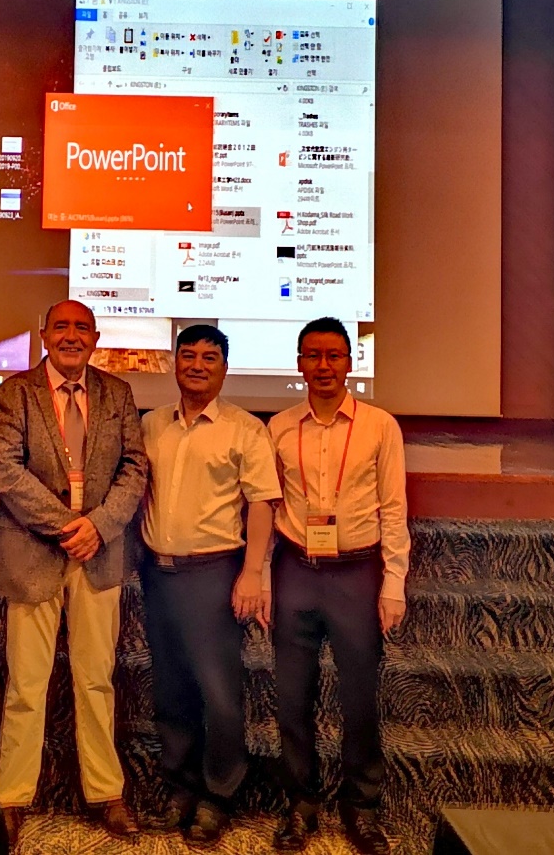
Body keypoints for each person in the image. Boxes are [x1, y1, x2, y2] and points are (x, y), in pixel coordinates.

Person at [0, 299, 148, 846]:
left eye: (82, 328)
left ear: (96, 338)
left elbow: (134, 467)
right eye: (61, 327)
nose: (71, 336)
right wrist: (68, 527)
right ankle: (12, 798)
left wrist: (98, 526)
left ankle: (106, 793)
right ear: (44, 334)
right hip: (33, 552)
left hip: (98, 554)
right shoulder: (13, 394)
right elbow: (5, 470)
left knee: (96, 678)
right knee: (25, 684)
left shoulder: (117, 393)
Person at [268, 317, 409, 855]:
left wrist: (393, 582)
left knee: (359, 698)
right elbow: (267, 506)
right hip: (295, 570)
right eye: (313, 355)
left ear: (350, 363)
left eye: (334, 355)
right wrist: (260, 576)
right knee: (292, 696)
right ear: (299, 363)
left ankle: (361, 807)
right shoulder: (278, 428)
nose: (323, 366)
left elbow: (393, 508)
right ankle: (301, 803)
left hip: (357, 572)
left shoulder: (380, 426)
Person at [139, 324, 281, 846]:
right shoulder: (152, 424)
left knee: (219, 692)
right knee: (170, 687)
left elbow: (262, 503)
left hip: (215, 573)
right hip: (158, 573)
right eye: (188, 355)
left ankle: (218, 795)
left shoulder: (245, 429)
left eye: (209, 357)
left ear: (224, 368)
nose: (197, 365)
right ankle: (179, 786)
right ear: (174, 362)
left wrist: (252, 572)